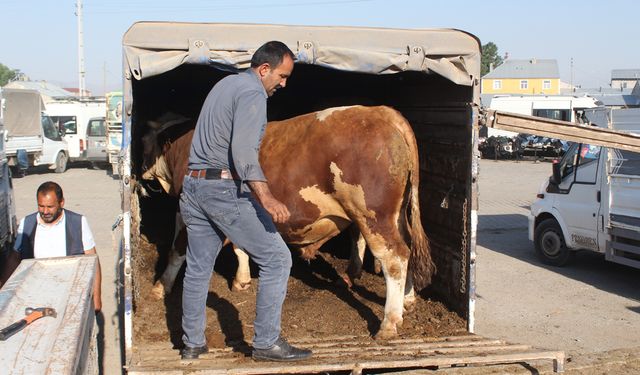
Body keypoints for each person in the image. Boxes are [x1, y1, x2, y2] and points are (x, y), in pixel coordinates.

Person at [179, 41, 311, 362]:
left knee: (197, 269)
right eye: (281, 76)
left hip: (194, 186)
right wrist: (265, 197)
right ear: (264, 69)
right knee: (278, 259)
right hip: (223, 190)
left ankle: (192, 343)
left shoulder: (225, 84)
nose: (283, 84)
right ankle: (266, 342)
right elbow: (242, 154)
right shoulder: (252, 93)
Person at [0, 181, 102, 312]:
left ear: (61, 203)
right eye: (41, 206)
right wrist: (3, 292)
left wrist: (97, 298)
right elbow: (14, 258)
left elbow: (92, 260)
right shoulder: (27, 223)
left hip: (70, 294)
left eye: (50, 206)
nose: (45, 211)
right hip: (35, 294)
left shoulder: (78, 222)